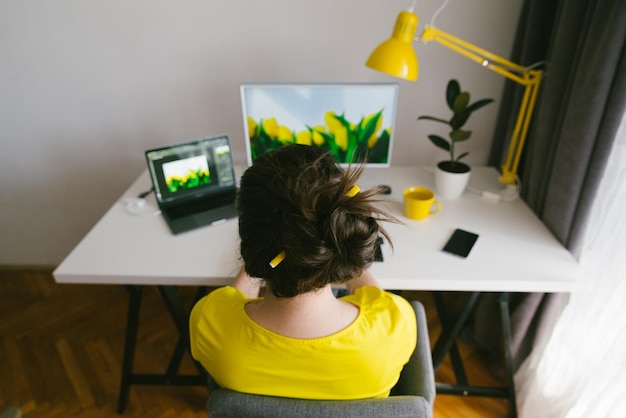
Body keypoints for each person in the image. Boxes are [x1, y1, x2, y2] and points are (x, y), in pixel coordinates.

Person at [189, 144, 417, 400]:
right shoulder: (393, 324)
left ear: (249, 239)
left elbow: (232, 297)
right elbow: (375, 297)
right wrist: (334, 247)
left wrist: (259, 259)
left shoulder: (210, 322)